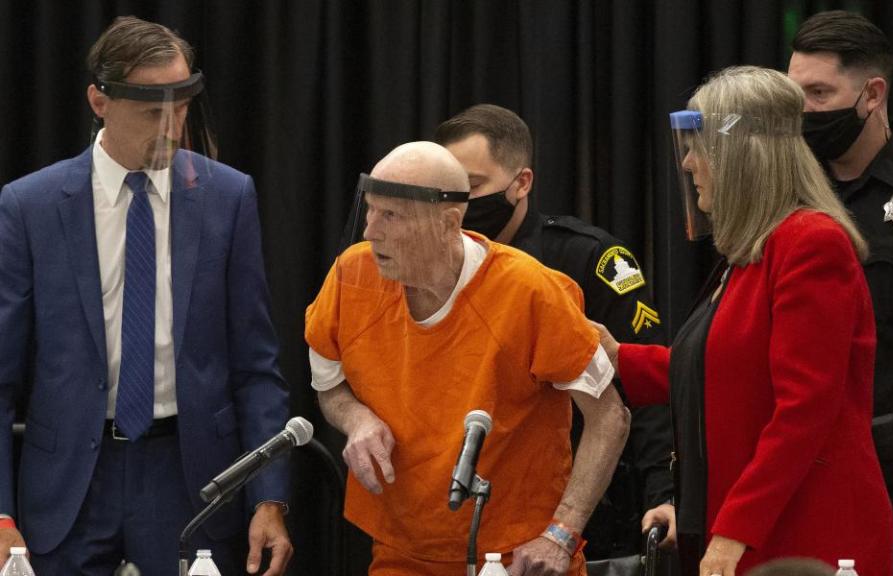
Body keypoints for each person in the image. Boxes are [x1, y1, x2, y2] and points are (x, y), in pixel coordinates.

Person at [0, 16, 291, 575]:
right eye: (152, 111)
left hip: (192, 476)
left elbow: (256, 367)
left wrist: (269, 499)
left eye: (181, 106)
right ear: (99, 101)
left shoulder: (227, 199)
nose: (172, 126)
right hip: (69, 485)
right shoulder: (30, 206)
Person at [594, 66, 893, 576]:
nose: (687, 163)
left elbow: (804, 411)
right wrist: (614, 358)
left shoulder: (809, 244)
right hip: (754, 531)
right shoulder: (753, 253)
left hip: (803, 537)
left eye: (699, 146)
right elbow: (720, 372)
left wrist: (735, 530)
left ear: (740, 156)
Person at [304, 141, 630, 576]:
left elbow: (611, 418)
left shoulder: (529, 291)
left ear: (448, 222)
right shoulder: (351, 276)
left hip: (518, 557)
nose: (370, 231)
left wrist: (562, 533)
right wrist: (356, 419)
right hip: (402, 552)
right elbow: (328, 386)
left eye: (391, 216)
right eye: (370, 210)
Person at [434, 104, 675, 559]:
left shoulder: (587, 259)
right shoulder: (432, 266)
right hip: (458, 507)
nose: (456, 206)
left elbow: (645, 385)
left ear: (521, 183)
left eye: (472, 188)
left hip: (575, 510)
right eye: (445, 191)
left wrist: (664, 492)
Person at [788, 11, 893, 572]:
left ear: (872, 95)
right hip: (813, 481)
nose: (804, 112)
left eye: (819, 93)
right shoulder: (790, 202)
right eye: (795, 95)